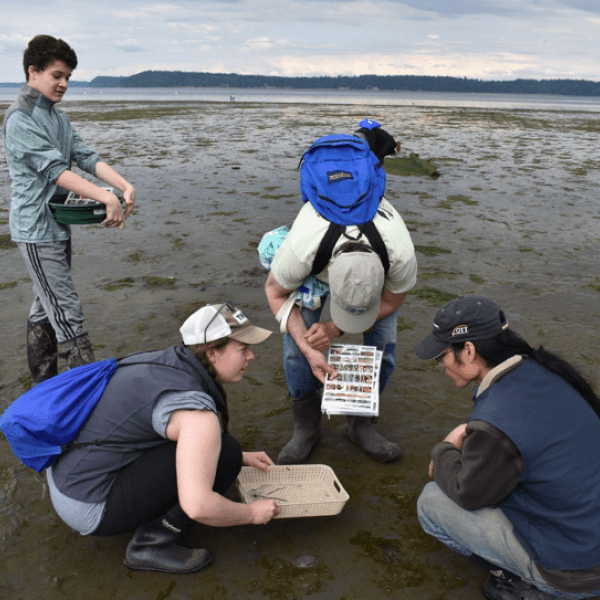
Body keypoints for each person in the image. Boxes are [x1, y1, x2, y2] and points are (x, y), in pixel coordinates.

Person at [45, 302, 280, 574]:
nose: (251, 356)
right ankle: (150, 545)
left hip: (67, 475)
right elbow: (199, 506)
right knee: (224, 453)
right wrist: (252, 514)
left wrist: (241, 458)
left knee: (225, 452)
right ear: (212, 353)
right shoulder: (196, 414)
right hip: (87, 505)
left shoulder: (167, 361)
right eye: (243, 349)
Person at [413, 294, 600, 600]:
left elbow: (467, 492)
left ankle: (532, 585)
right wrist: (470, 430)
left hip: (575, 571)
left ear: (469, 350)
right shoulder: (544, 370)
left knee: (431, 503)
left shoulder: (497, 418)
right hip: (587, 533)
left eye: (441, 356)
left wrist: (445, 449)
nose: (441, 366)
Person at [264, 123, 417, 465]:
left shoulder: (399, 253)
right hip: (318, 259)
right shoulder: (304, 248)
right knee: (295, 349)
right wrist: (307, 344)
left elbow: (393, 300)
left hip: (370, 257)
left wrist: (335, 328)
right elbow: (274, 293)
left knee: (385, 347)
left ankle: (359, 423)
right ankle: (306, 428)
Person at [1, 35, 136, 384]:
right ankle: (85, 397)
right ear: (33, 72)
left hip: (58, 224)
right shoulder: (21, 119)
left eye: (68, 78)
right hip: (35, 229)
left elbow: (85, 156)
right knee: (67, 313)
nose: (63, 84)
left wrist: (121, 185)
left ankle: (43, 387)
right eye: (57, 75)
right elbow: (54, 170)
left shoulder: (56, 118)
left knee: (45, 308)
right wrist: (105, 198)